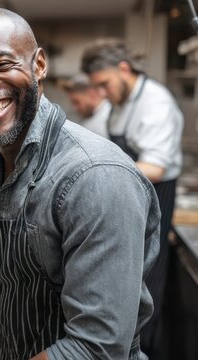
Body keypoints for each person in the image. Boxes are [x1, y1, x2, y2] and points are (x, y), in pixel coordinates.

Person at [0, 7, 160, 360]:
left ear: (39, 65)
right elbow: (4, 282)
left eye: (2, 64)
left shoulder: (95, 176)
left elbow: (96, 347)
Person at [81, 38, 184, 360]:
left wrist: (97, 176)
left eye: (105, 84)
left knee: (145, 288)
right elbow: (90, 139)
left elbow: (155, 166)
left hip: (153, 202)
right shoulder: (116, 106)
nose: (102, 93)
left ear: (123, 69)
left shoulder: (156, 102)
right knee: (118, 288)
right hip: (126, 203)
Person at [60, 73, 110, 138]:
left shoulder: (104, 120)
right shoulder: (95, 118)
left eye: (77, 102)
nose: (75, 108)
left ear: (91, 95)